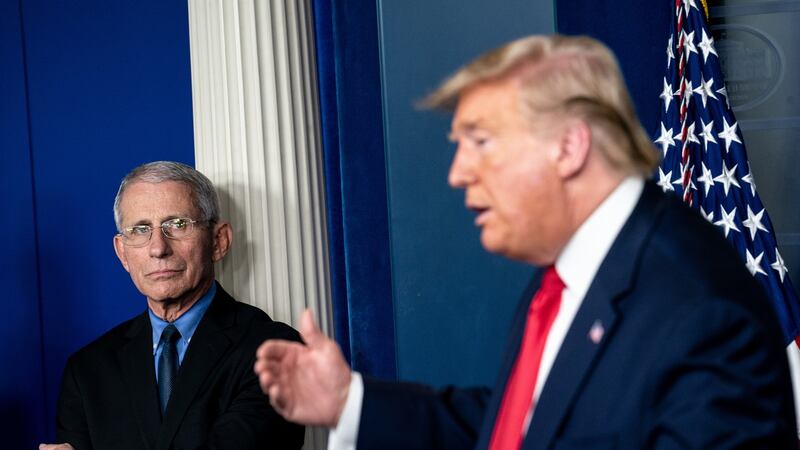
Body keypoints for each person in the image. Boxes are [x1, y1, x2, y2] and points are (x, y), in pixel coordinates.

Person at [253, 34, 797, 449]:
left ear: (569, 147)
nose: (458, 173)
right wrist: (351, 403)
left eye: (481, 141)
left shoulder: (698, 307)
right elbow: (531, 424)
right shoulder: (567, 274)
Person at [41, 161, 304, 450]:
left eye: (177, 224)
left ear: (219, 241)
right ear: (122, 253)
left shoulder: (275, 351)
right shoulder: (87, 371)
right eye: (141, 229)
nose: (158, 248)